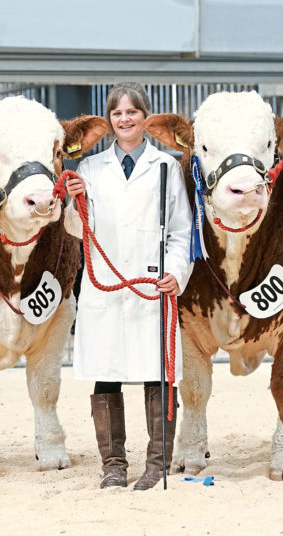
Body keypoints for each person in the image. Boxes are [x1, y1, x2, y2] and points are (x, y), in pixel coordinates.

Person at [64, 83, 193, 490]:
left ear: (144, 117)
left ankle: (157, 464)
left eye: (132, 113)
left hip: (152, 284)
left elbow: (180, 230)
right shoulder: (88, 169)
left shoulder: (165, 167)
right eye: (118, 114)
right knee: (107, 372)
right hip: (105, 286)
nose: (125, 120)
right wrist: (74, 203)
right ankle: (113, 465)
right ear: (110, 120)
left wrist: (176, 271)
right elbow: (76, 231)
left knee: (158, 373)